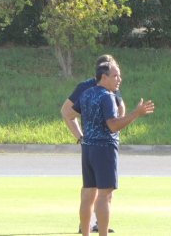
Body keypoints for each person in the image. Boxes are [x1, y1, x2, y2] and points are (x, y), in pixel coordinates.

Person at [70, 55, 155, 236]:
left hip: (88, 149)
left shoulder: (86, 93)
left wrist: (81, 136)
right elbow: (113, 125)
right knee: (104, 196)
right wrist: (136, 113)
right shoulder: (107, 97)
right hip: (104, 148)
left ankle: (85, 233)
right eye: (115, 76)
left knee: (88, 194)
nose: (119, 79)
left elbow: (70, 114)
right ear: (104, 77)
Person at [61, 54, 116, 234]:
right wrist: (80, 136)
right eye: (112, 71)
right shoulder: (87, 87)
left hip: (97, 144)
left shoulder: (110, 87)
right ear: (103, 73)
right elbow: (66, 111)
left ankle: (99, 225)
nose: (117, 78)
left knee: (102, 191)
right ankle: (91, 225)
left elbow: (119, 106)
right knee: (95, 192)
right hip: (99, 144)